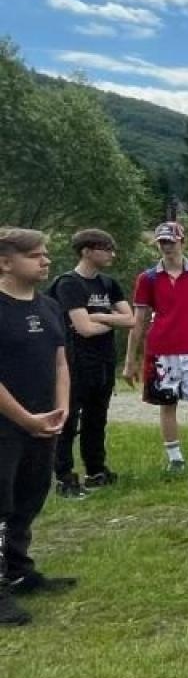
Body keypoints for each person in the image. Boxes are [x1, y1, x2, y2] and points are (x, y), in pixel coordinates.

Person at [0, 228, 73, 626]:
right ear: (5, 262)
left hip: (44, 422)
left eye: (45, 254)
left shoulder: (48, 306)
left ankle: (19, 570)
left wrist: (60, 408)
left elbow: (60, 362)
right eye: (35, 255)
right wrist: (24, 418)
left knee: (30, 496)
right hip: (8, 425)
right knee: (0, 503)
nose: (45, 261)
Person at [124, 221, 188, 472]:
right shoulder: (148, 278)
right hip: (160, 349)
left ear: (183, 242)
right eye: (162, 242)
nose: (166, 246)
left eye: (171, 241)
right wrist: (130, 360)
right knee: (167, 403)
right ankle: (175, 459)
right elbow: (139, 320)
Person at [51, 229, 135, 497]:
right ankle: (64, 477)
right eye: (106, 248)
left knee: (97, 418)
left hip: (103, 361)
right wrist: (108, 319)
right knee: (68, 419)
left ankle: (96, 470)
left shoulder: (108, 284)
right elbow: (83, 328)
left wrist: (98, 317)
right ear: (87, 251)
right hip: (74, 362)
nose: (112, 253)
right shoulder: (68, 284)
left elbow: (131, 320)